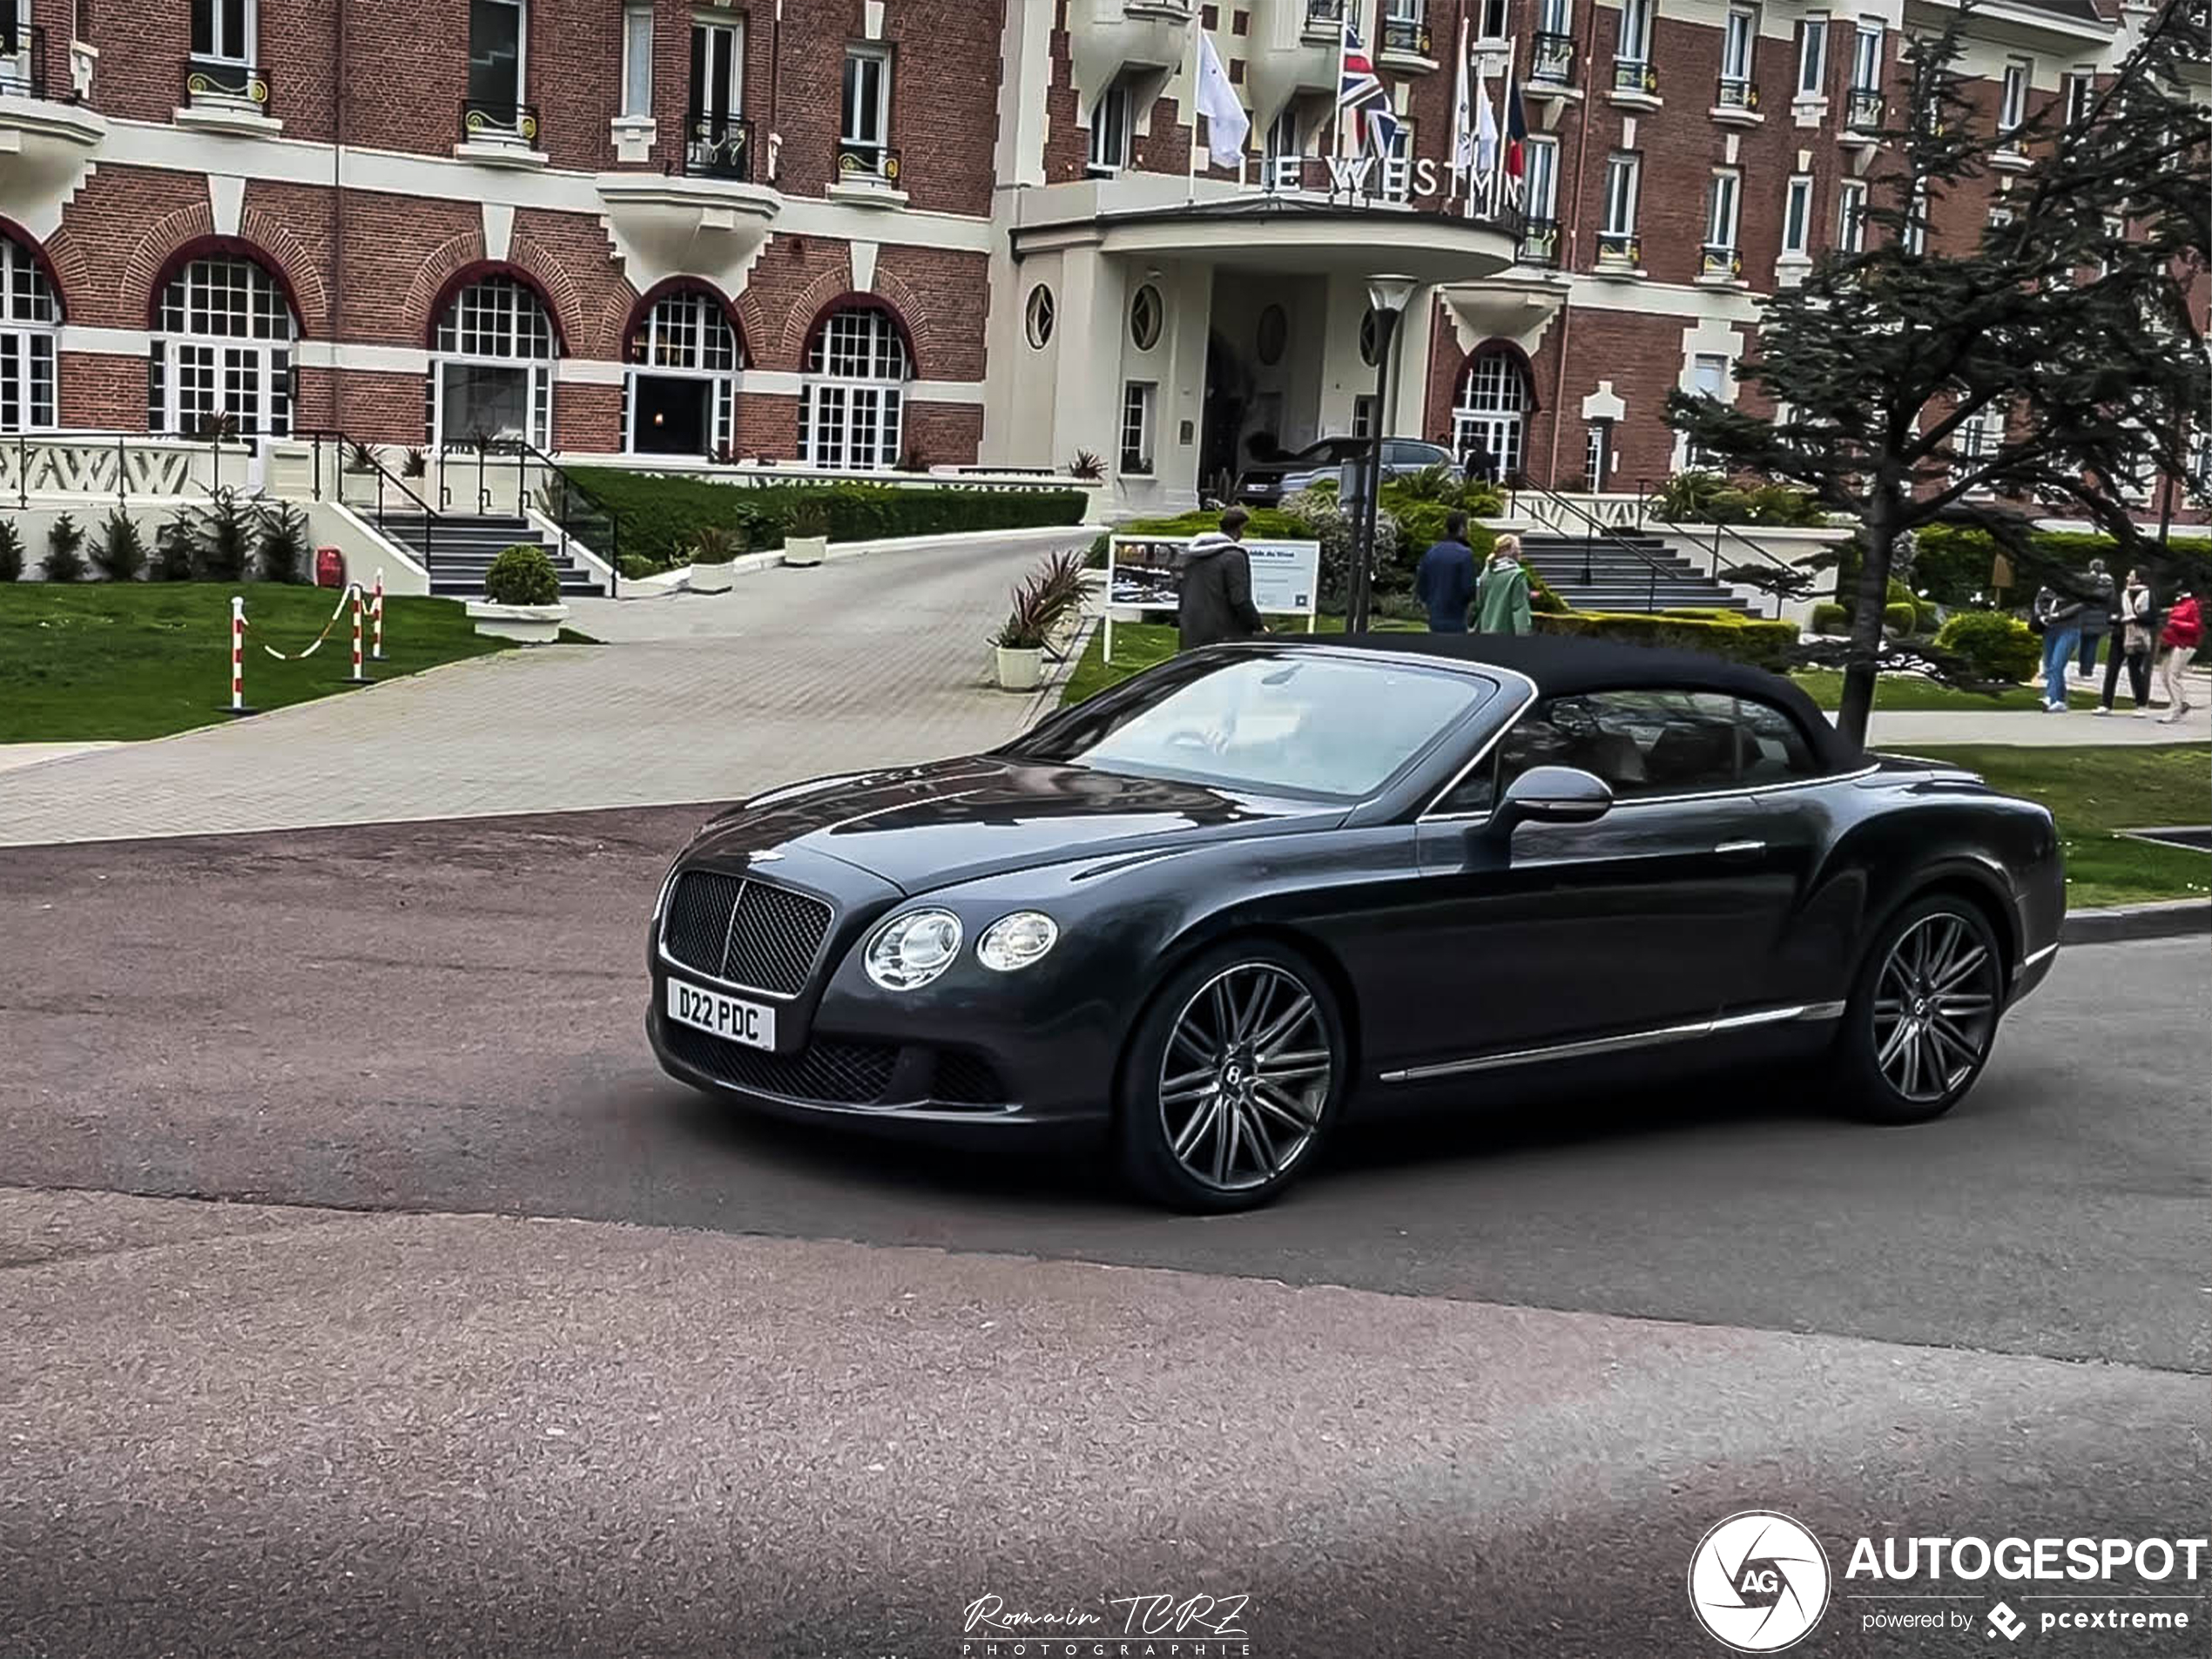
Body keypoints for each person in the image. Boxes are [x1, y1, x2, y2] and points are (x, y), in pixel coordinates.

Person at [1176, 506, 1266, 651]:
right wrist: (1257, 626)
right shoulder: (1234, 557)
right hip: (1224, 633)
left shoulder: (1192, 556)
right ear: (1240, 528)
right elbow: (1240, 599)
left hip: (1192, 629)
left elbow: (1181, 590)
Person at [2096, 569, 2155, 716]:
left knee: (2135, 671)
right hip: (2119, 636)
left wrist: (2135, 618)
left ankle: (2141, 705)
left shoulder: (2148, 596)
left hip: (2137, 638)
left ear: (2139, 579)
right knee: (2112, 670)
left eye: (2131, 575)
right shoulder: (2122, 595)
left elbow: (2152, 618)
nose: (2128, 577)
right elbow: (2111, 614)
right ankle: (2106, 704)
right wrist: (2119, 619)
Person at [1414, 510, 1480, 633]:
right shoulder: (1465, 554)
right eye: (1468, 526)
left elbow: (1421, 585)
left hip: (1435, 615)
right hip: (1456, 616)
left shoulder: (1431, 552)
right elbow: (1469, 589)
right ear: (1461, 528)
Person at [2032, 581, 2087, 711]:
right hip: (2049, 629)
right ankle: (2060, 701)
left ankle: (2050, 698)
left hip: (2069, 629)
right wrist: (2040, 616)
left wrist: (2059, 615)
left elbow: (2080, 605)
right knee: (2050, 666)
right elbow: (2038, 601)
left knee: (2057, 665)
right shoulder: (2046, 587)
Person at [2155, 589, 2201, 725]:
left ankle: (2176, 709)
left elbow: (2196, 628)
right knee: (2164, 676)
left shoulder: (2192, 605)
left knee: (2172, 676)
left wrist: (2175, 624)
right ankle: (2179, 702)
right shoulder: (2178, 604)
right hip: (2171, 643)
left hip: (2184, 645)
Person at [1475, 534, 1534, 637]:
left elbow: (1480, 604)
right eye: (1518, 548)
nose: (1520, 552)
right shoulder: (1517, 576)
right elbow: (1519, 609)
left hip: (1486, 631)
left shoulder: (1486, 573)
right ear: (1511, 551)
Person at [2076, 558, 2115, 678]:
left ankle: (2082, 667)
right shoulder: (2109, 585)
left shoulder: (2085, 582)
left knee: (2083, 643)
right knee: (2092, 644)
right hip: (2100, 617)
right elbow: (2112, 602)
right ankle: (2088, 670)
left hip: (2084, 616)